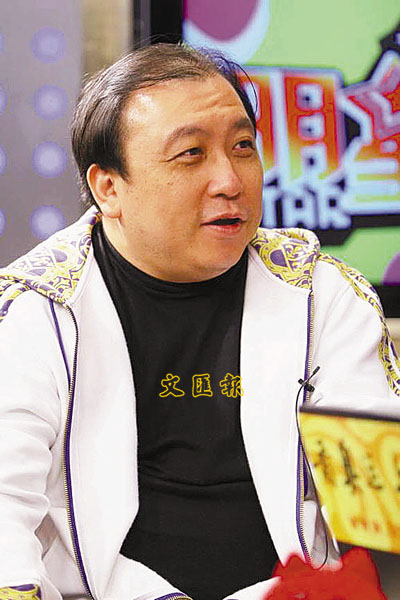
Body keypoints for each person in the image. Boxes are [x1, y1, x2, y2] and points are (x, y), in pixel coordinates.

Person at [0, 43, 399, 600]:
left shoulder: (321, 294)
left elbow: (379, 511)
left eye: (243, 147)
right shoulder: (35, 309)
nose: (230, 180)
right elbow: (5, 510)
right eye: (191, 154)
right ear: (108, 187)